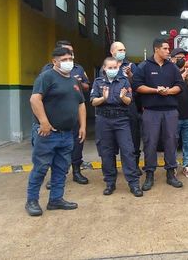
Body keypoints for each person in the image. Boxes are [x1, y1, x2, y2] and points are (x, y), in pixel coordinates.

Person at [26, 47, 86, 216]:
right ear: (54, 61)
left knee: (61, 168)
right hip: (48, 134)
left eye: (70, 58)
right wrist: (44, 122)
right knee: (41, 168)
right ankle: (32, 201)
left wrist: (82, 126)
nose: (69, 62)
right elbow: (35, 99)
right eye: (65, 59)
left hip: (67, 134)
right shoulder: (46, 77)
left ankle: (56, 199)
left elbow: (81, 104)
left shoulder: (74, 81)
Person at [132, 38, 185, 191]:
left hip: (170, 111)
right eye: (166, 48)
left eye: (168, 49)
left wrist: (168, 91)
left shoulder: (172, 67)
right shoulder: (144, 66)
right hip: (151, 112)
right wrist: (156, 90)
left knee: (171, 142)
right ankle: (149, 175)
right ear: (156, 49)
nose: (169, 51)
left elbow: (179, 85)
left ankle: (170, 174)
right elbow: (137, 86)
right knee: (150, 143)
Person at [90, 57, 142, 197]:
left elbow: (129, 101)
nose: (113, 70)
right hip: (104, 120)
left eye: (115, 68)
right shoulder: (98, 82)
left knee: (128, 151)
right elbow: (93, 101)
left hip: (121, 120)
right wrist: (103, 99)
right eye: (110, 68)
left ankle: (133, 184)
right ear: (104, 68)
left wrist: (123, 97)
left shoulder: (124, 81)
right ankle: (110, 183)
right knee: (106, 152)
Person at [40, 40, 90, 186]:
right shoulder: (48, 70)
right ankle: (54, 177)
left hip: (73, 116)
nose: (70, 56)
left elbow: (87, 86)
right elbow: (39, 96)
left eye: (71, 53)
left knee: (77, 144)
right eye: (67, 53)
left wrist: (77, 82)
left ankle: (76, 171)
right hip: (55, 119)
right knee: (54, 149)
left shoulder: (78, 68)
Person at [110, 41, 142, 175]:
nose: (122, 52)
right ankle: (111, 169)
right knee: (111, 140)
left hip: (129, 106)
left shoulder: (131, 66)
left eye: (124, 50)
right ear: (112, 52)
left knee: (133, 136)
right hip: (113, 108)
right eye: (119, 50)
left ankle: (134, 166)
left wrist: (130, 75)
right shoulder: (107, 66)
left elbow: (137, 85)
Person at [170, 48, 188, 178]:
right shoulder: (168, 71)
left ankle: (187, 165)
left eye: (184, 57)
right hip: (173, 113)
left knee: (187, 141)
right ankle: (172, 165)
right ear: (172, 58)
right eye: (179, 57)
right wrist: (181, 78)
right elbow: (169, 88)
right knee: (172, 141)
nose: (182, 59)